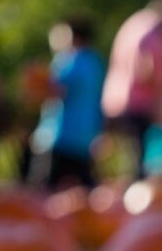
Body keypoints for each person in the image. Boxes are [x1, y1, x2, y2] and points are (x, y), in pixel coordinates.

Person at [102, 0, 162, 179]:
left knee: (130, 156)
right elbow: (146, 71)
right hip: (139, 102)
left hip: (117, 98)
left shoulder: (134, 22)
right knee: (138, 163)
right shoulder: (153, 30)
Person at [29, 18, 105, 189]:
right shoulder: (95, 62)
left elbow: (56, 90)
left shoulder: (68, 60)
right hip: (84, 138)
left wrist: (36, 79)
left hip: (58, 136)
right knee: (83, 191)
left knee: (45, 191)